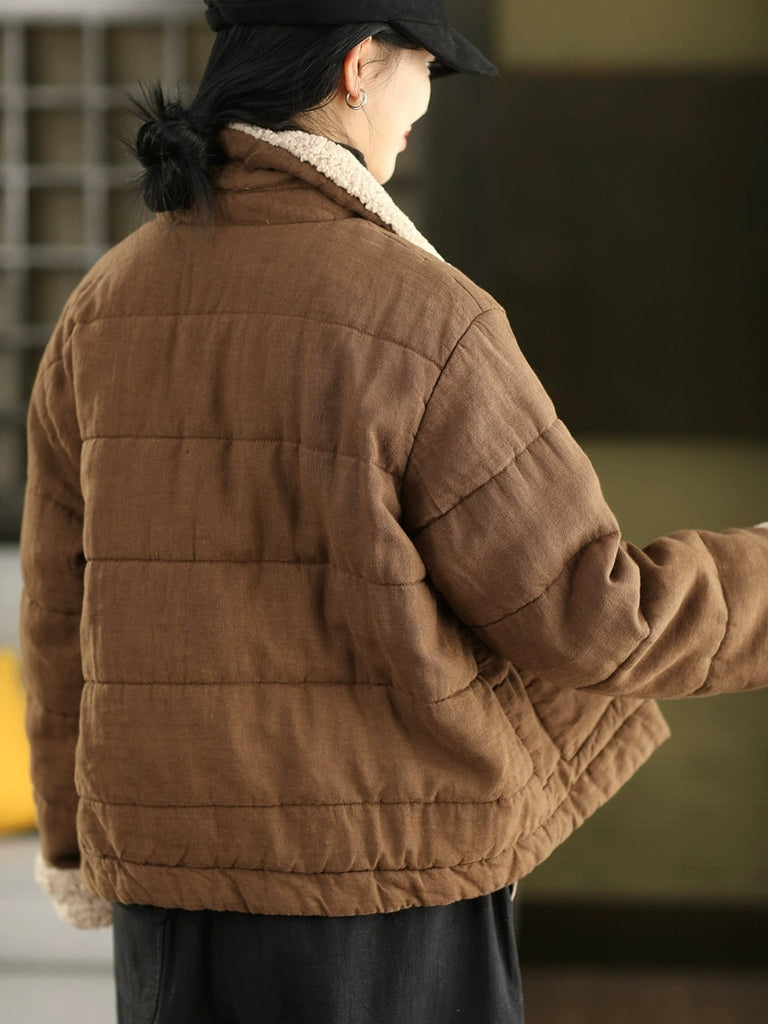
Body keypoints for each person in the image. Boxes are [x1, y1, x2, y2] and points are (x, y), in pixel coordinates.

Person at [20, 2, 768, 1021]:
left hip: (165, 897)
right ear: (360, 66)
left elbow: (58, 614)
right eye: (426, 68)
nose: (423, 105)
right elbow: (591, 613)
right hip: (379, 891)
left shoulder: (103, 305)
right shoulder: (423, 314)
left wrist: (72, 844)